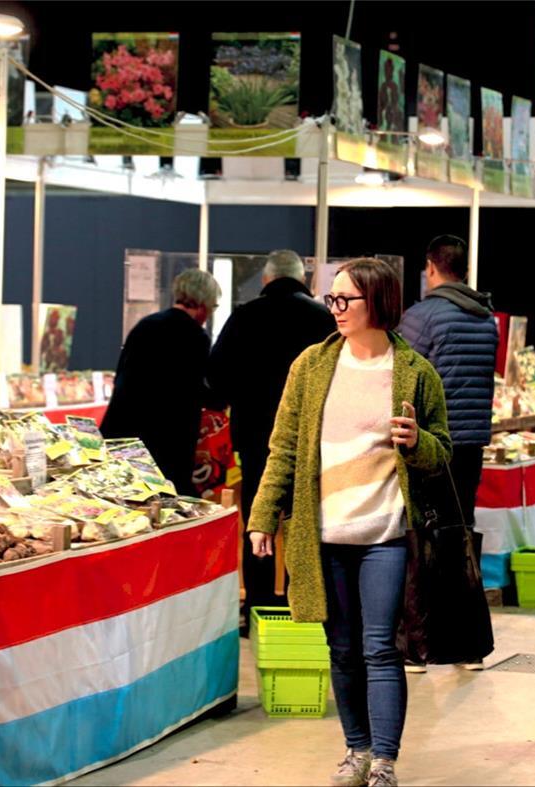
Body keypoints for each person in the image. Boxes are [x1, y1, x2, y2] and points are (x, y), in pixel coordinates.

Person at [247, 258, 451, 787]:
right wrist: (263, 515)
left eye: (345, 300)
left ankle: (384, 760)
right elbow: (284, 447)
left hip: (385, 533)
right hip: (323, 535)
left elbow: (442, 450)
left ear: (378, 302)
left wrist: (417, 443)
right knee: (340, 647)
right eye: (331, 299)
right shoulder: (311, 366)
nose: (334, 309)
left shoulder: (415, 372)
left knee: (380, 646)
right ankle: (355, 750)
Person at [207, 250, 335, 630]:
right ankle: (304, 608)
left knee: (259, 519)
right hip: (309, 440)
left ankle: (258, 606)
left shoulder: (245, 316)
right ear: (305, 281)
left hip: (255, 436)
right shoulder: (321, 318)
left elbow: (216, 376)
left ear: (266, 280)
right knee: (305, 522)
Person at [398, 235, 498, 673]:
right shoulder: (485, 318)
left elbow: (402, 374)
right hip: (472, 442)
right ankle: (468, 647)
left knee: (421, 538)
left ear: (431, 268)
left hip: (432, 444)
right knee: (459, 537)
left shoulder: (423, 317)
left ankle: (416, 648)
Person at [101, 268, 221, 496]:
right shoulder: (196, 337)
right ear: (203, 304)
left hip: (125, 429)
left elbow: (121, 376)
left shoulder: (145, 325)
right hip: (168, 437)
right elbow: (196, 389)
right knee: (165, 503)